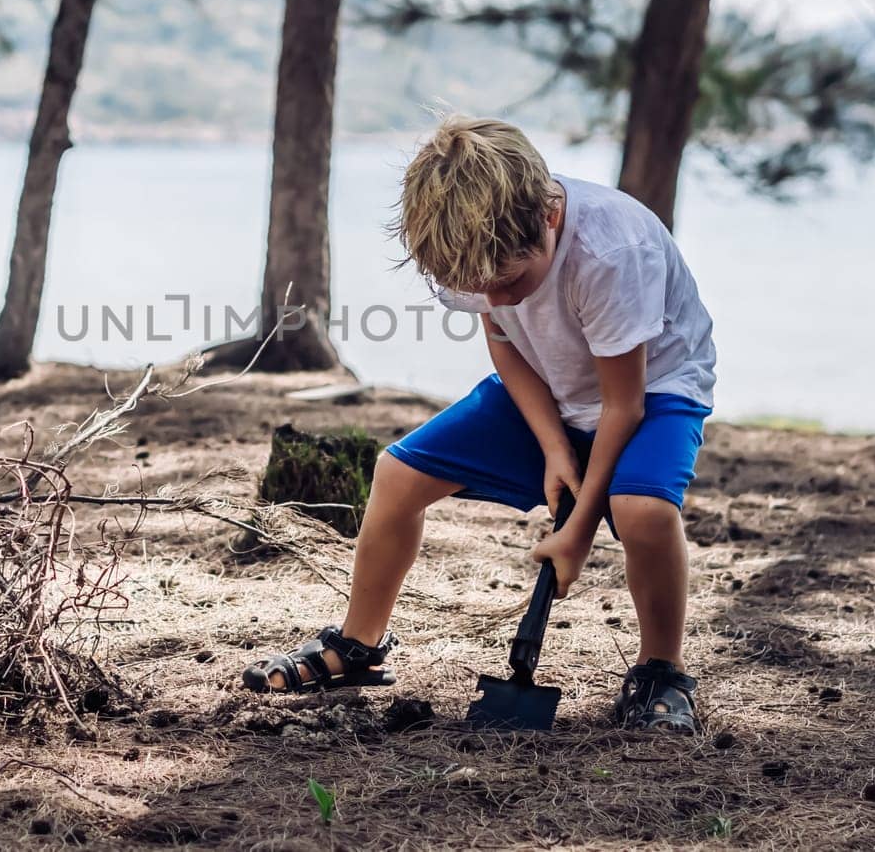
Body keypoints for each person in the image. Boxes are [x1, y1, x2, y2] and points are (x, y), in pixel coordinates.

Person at [239, 115, 717, 732]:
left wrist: (576, 534)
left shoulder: (611, 252)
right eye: (475, 288)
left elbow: (621, 407)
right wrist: (552, 446)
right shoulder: (469, 246)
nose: (494, 297)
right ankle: (358, 646)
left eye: (511, 282)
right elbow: (504, 341)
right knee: (397, 474)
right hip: (546, 381)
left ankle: (661, 668)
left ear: (548, 216)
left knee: (642, 512)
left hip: (653, 389)